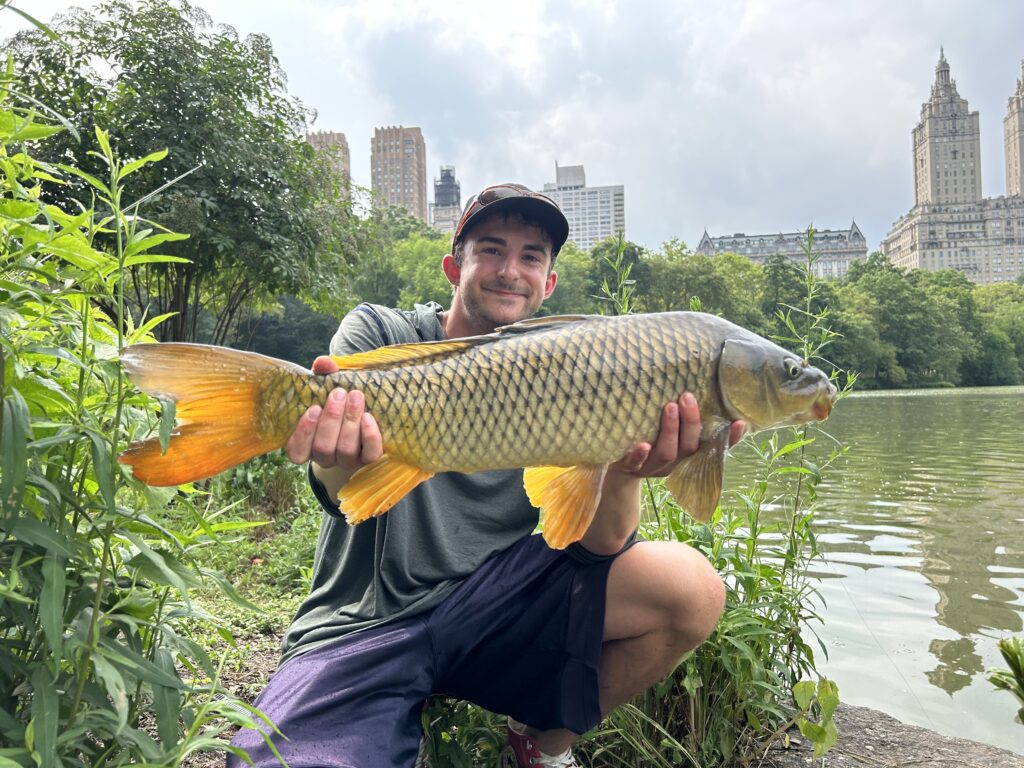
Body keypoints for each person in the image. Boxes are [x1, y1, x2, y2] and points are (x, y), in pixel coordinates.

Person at [227, 183, 745, 768]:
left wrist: (625, 469)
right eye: (491, 250)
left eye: (531, 257)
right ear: (455, 266)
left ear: (549, 283)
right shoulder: (379, 334)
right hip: (365, 618)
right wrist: (333, 450)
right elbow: (338, 489)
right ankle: (380, 717)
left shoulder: (589, 371)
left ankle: (538, 746)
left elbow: (598, 547)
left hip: (492, 610)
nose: (510, 271)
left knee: (691, 589)